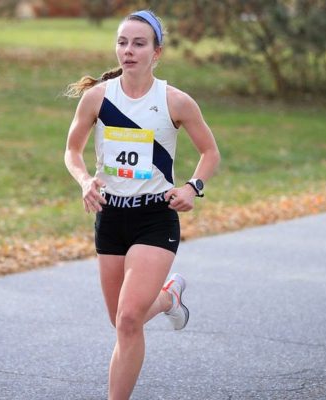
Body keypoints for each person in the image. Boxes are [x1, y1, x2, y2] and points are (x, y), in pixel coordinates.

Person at [64, 10, 220, 400]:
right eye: (122, 42)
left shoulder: (175, 101)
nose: (128, 51)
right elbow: (72, 151)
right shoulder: (97, 98)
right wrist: (85, 181)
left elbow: (210, 153)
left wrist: (192, 187)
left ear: (157, 52)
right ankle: (169, 297)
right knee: (118, 321)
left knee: (130, 318)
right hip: (110, 215)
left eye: (138, 43)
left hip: (156, 216)